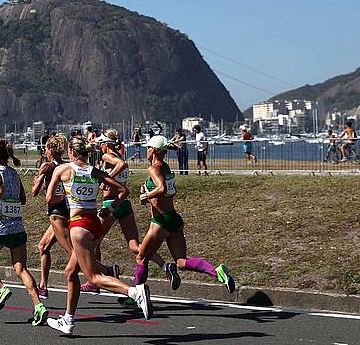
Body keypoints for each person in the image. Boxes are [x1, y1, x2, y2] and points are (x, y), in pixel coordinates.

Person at [46, 136, 152, 335]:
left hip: (79, 227)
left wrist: (68, 194)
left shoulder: (63, 170)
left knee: (93, 278)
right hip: (94, 223)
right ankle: (68, 319)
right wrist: (110, 208)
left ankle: (134, 292)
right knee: (70, 272)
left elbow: (49, 198)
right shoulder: (95, 171)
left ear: (73, 152)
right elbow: (124, 190)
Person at [134, 135, 235, 299]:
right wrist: (148, 195)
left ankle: (137, 296)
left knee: (141, 258)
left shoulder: (154, 168)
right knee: (181, 262)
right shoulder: (165, 167)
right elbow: (166, 192)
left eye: (148, 148)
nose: (146, 150)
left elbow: (161, 189)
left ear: (154, 150)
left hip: (160, 222)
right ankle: (217, 272)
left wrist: (146, 196)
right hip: (174, 219)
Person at [81, 130, 180, 295]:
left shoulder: (107, 156)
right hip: (124, 203)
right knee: (134, 245)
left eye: (100, 144)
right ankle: (165, 266)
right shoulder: (119, 153)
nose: (99, 146)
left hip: (111, 203)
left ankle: (98, 277)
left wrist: (105, 178)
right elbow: (123, 164)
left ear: (106, 143)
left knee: (91, 242)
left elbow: (122, 165)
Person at [0, 139, 48, 326]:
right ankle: (38, 306)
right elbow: (23, 199)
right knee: (21, 269)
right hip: (18, 228)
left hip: (0, 227)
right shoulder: (14, 174)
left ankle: (0, 289)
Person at [31, 134, 71, 300]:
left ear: (51, 150)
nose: (45, 152)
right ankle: (43, 287)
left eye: (46, 149)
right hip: (66, 209)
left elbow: (34, 192)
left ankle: (106, 271)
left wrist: (37, 180)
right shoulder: (66, 165)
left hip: (57, 212)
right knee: (43, 247)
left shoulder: (47, 166)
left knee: (74, 253)